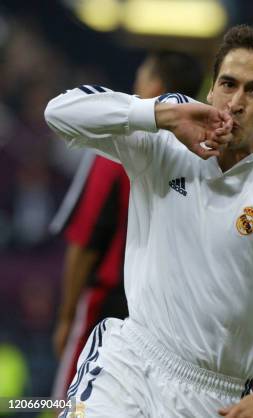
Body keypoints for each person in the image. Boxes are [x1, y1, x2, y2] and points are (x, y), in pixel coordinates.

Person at [45, 25, 253, 417]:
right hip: (127, 362)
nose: (236, 102)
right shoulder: (166, 131)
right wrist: (160, 114)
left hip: (215, 397)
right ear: (211, 88)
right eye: (228, 84)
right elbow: (59, 113)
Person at [49, 50, 204, 400]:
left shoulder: (113, 148)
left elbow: (86, 239)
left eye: (141, 77)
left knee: (74, 402)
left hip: (108, 303)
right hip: (171, 313)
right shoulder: (206, 157)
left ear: (155, 85)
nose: (134, 86)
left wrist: (66, 316)